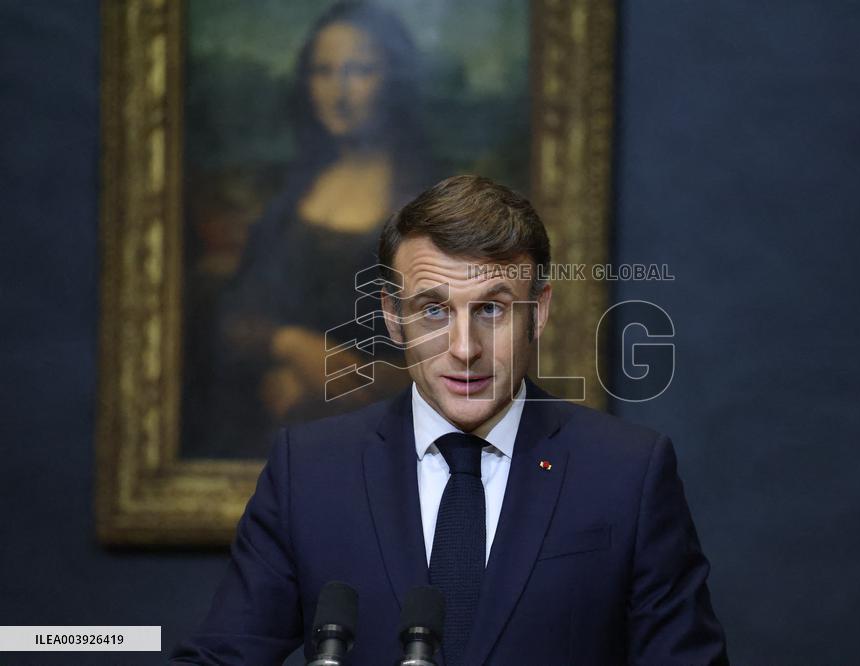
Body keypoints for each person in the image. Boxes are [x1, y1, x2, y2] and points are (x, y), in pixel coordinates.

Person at [171, 175, 728, 664]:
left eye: (491, 308)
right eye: (434, 309)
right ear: (393, 317)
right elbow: (222, 656)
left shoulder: (628, 472)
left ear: (538, 312)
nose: (464, 348)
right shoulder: (309, 472)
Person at [187, 1, 432, 458]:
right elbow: (235, 315)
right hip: (266, 439)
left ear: (395, 82)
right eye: (323, 71)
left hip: (384, 442)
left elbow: (456, 349)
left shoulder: (427, 204)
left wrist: (349, 383)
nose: (339, 92)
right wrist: (290, 345)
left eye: (360, 71)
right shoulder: (290, 198)